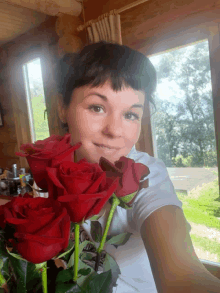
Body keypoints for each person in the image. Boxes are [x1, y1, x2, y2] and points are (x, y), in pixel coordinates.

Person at [57, 41, 220, 293]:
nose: (114, 131)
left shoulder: (143, 174)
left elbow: (184, 275)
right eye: (97, 107)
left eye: (131, 114)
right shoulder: (55, 169)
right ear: (62, 108)